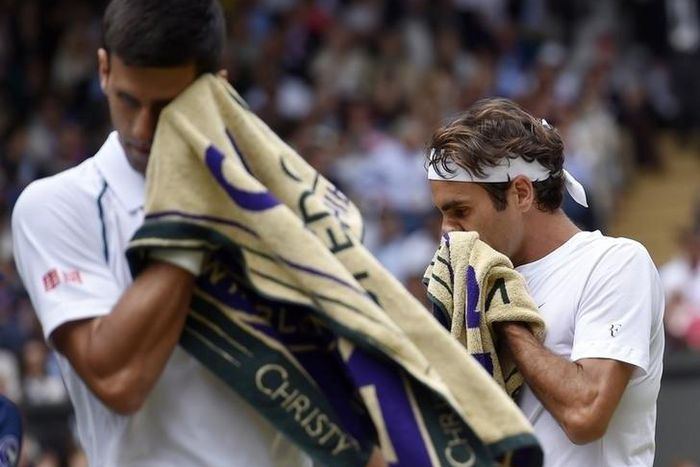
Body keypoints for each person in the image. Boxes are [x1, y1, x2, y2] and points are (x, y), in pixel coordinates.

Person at [11, 1, 312, 465]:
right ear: (104, 70)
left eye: (167, 107)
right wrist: (196, 209)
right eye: (129, 100)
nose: (143, 129)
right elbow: (119, 383)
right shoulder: (56, 205)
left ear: (215, 92)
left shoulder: (282, 201)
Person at [426, 98, 664, 466]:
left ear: (521, 193)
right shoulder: (466, 283)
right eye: (442, 213)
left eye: (460, 211)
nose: (447, 230)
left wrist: (504, 315)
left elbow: (586, 415)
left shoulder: (614, 263)